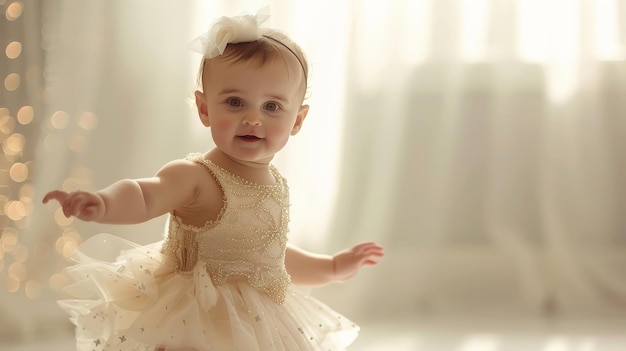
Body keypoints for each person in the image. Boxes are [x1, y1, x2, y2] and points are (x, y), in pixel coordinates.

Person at [42, 9, 384, 351]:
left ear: (298, 119)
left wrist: (334, 266)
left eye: (272, 107)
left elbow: (270, 258)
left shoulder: (275, 183)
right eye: (235, 102)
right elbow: (146, 194)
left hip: (255, 322)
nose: (252, 118)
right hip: (194, 315)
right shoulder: (197, 177)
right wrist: (104, 203)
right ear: (205, 109)